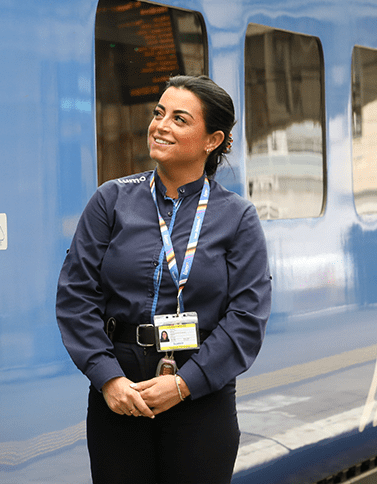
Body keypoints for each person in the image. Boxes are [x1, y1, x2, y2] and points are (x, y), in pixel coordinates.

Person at [57, 75, 272, 483]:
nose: (161, 125)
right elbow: (76, 295)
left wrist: (185, 385)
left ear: (212, 140)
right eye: (158, 114)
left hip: (201, 396)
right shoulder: (111, 200)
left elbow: (247, 317)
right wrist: (108, 378)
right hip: (121, 395)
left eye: (179, 119)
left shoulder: (237, 217)